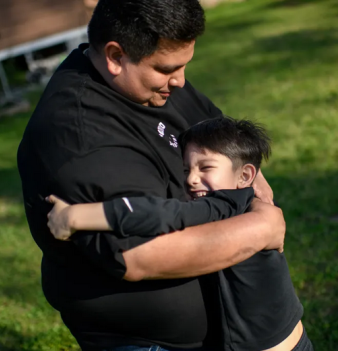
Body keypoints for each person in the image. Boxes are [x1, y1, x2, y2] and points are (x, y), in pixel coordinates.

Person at [17, 1, 285, 350]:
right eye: (167, 69)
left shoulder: (155, 82)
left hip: (232, 325)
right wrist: (261, 228)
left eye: (184, 65)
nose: (181, 81)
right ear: (115, 56)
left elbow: (231, 147)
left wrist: (258, 196)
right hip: (147, 342)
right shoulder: (80, 134)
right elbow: (141, 255)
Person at [46, 117, 314, 351]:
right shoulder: (243, 202)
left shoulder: (224, 205)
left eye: (205, 168)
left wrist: (74, 217)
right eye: (186, 169)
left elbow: (159, 213)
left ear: (246, 175)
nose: (191, 179)